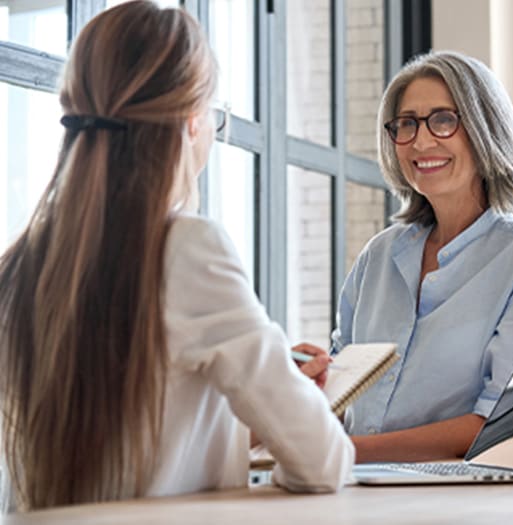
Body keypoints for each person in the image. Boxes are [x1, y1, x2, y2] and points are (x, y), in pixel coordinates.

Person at [0, 1, 352, 513]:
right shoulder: (189, 250)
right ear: (191, 122)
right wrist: (293, 398)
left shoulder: (15, 269)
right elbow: (324, 463)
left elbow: (128, 446)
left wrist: (244, 412)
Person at [324, 50, 513, 463]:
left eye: (443, 120)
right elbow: (341, 401)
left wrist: (344, 453)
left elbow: (508, 421)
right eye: (406, 124)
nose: (422, 141)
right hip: (353, 492)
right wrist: (309, 383)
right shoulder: (378, 257)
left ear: (485, 130)